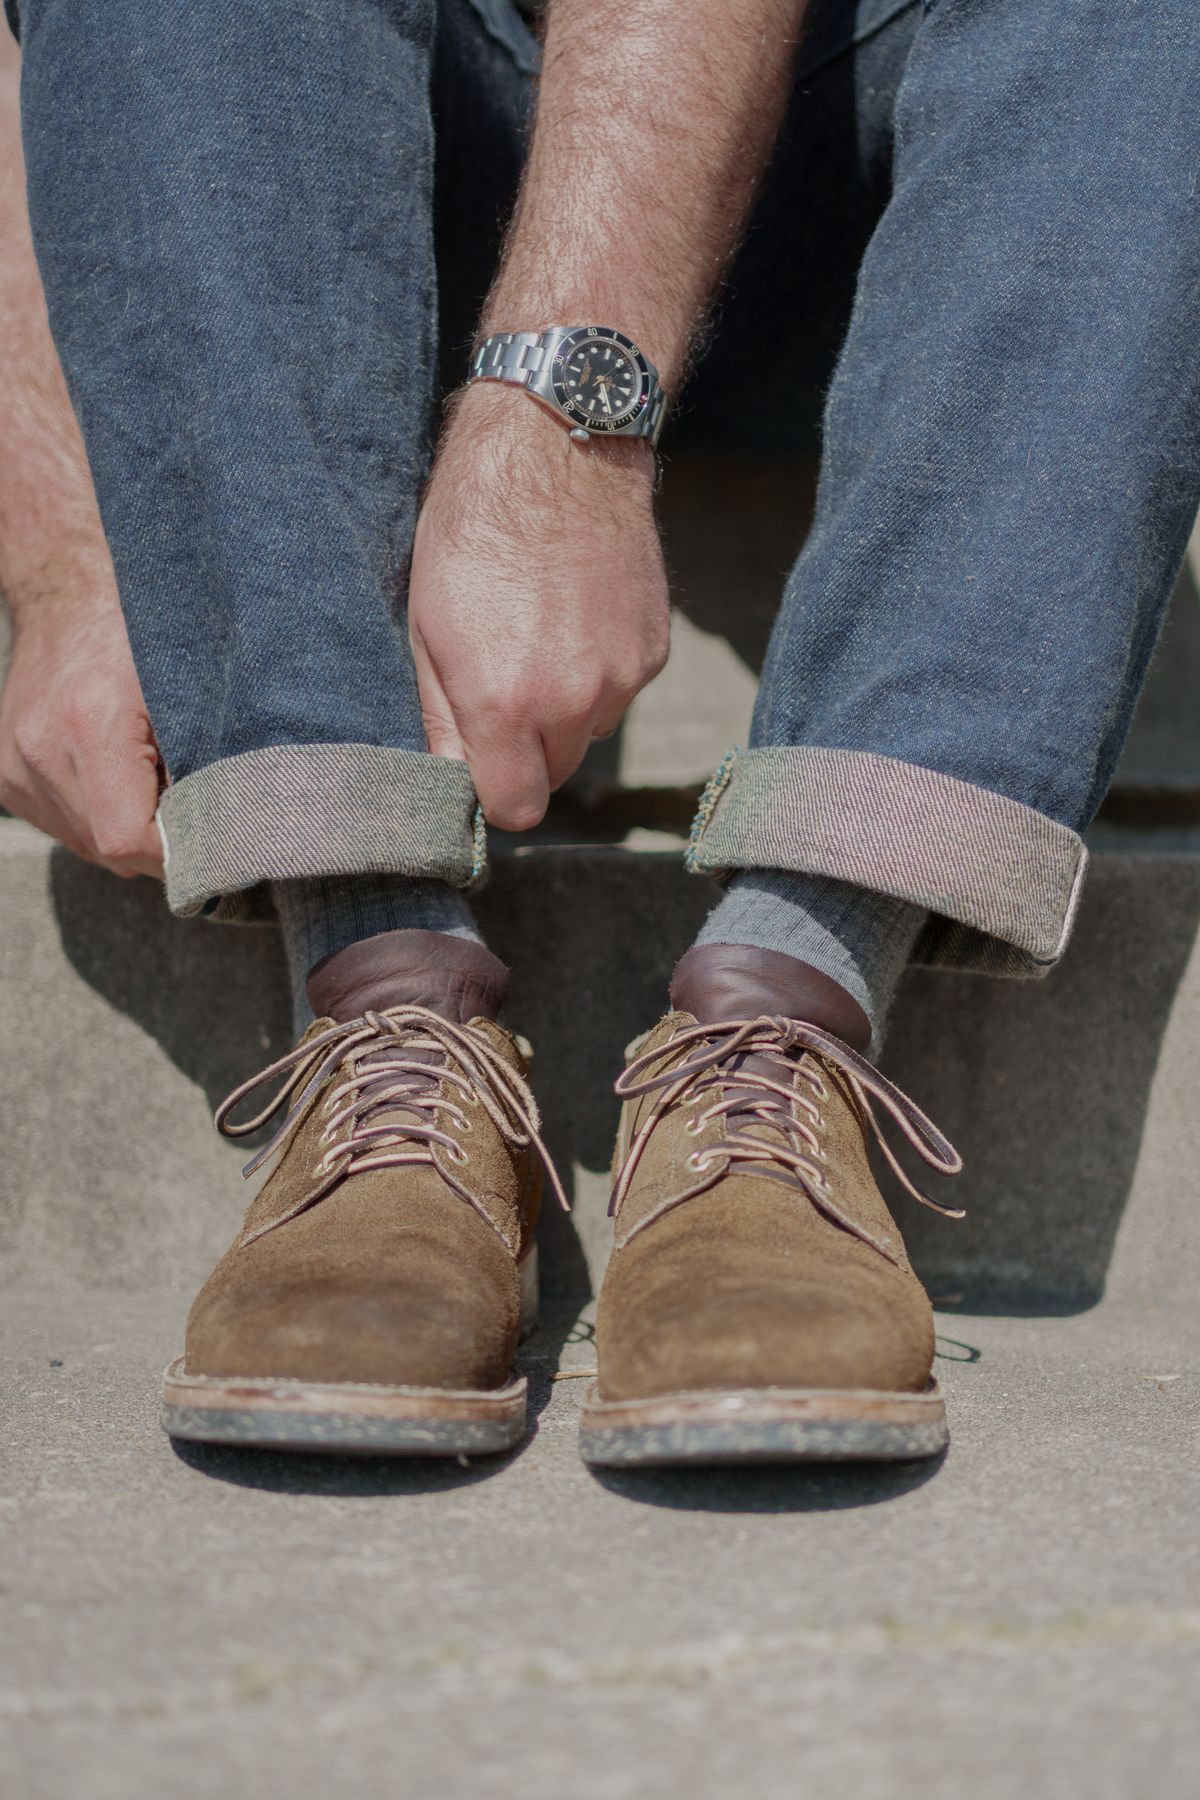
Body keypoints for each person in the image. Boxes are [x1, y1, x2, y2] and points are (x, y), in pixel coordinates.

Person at [1, 0, 1197, 1465]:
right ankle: (380, 992)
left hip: (843, 162)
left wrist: (567, 408)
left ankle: (793, 1007)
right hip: (302, 172)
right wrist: (62, 536)